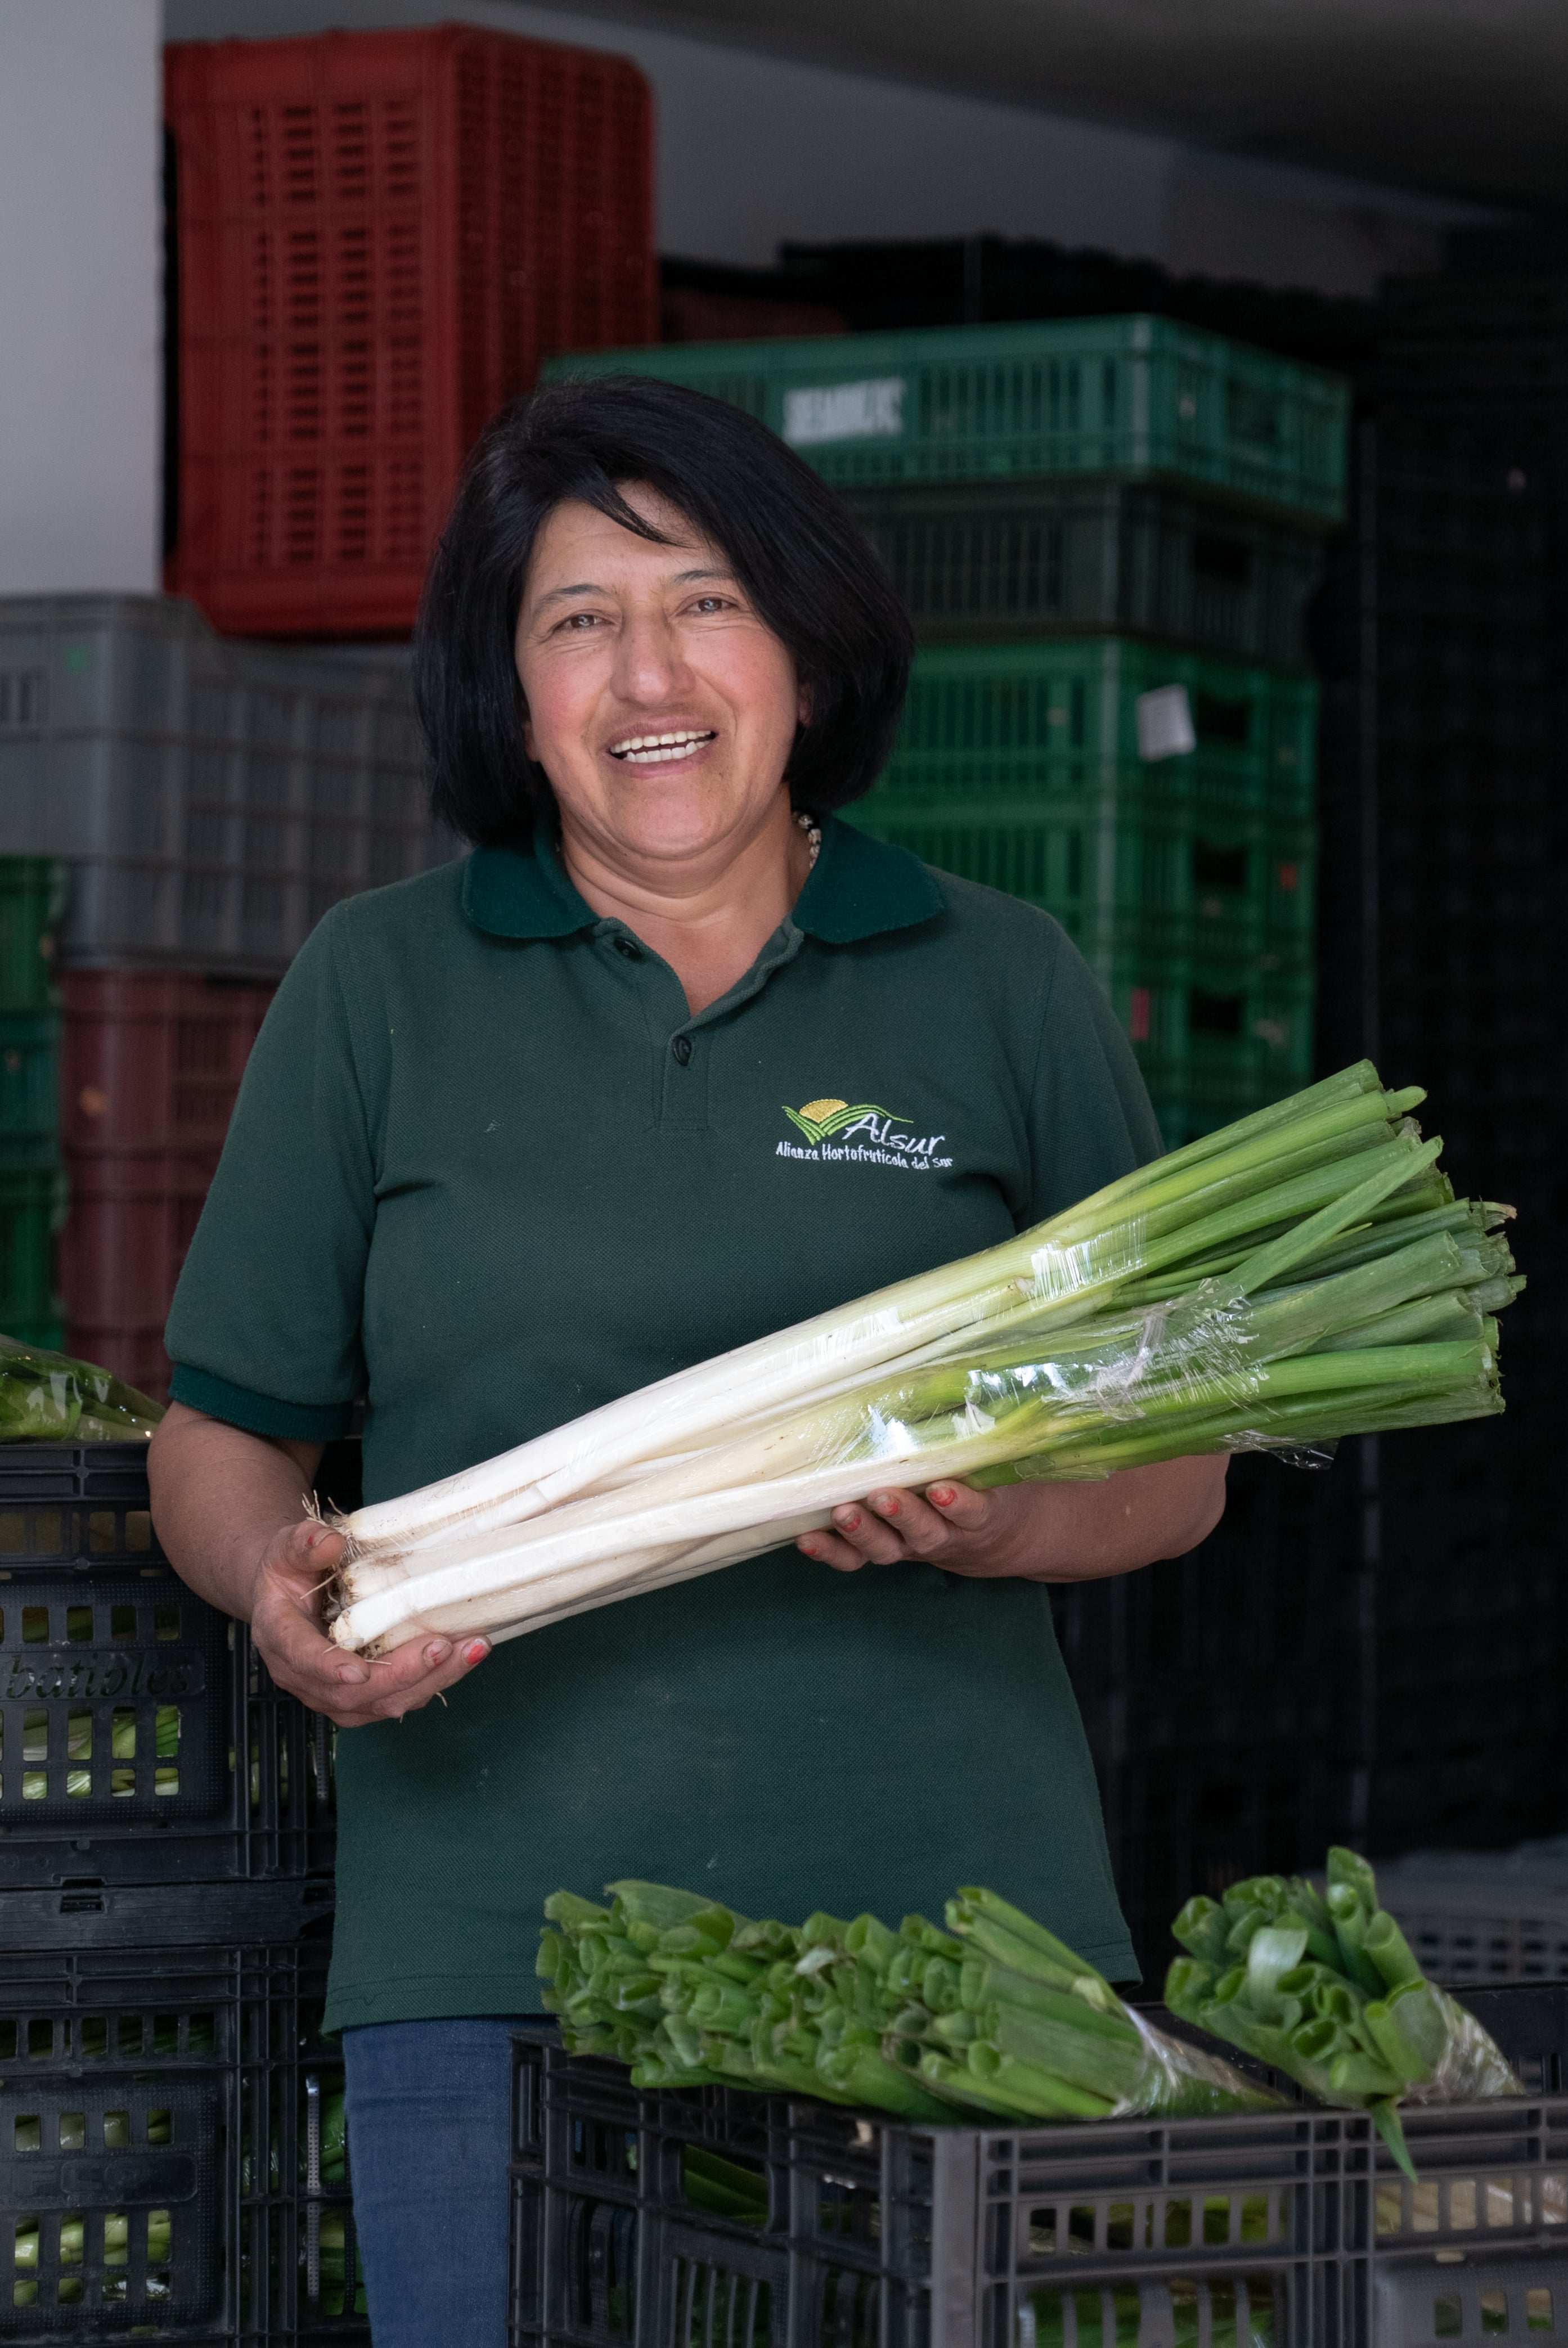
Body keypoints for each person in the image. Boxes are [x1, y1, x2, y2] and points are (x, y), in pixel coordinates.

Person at [148, 376, 1227, 2346]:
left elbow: (1181, 1463)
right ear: (511, 687)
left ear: (804, 651)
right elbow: (225, 1429)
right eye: (576, 620)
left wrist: (1000, 1527)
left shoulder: (1002, 981)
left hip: (955, 1947)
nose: (646, 669)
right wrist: (269, 1585)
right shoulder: (376, 985)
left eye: (704, 599)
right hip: (489, 1945)